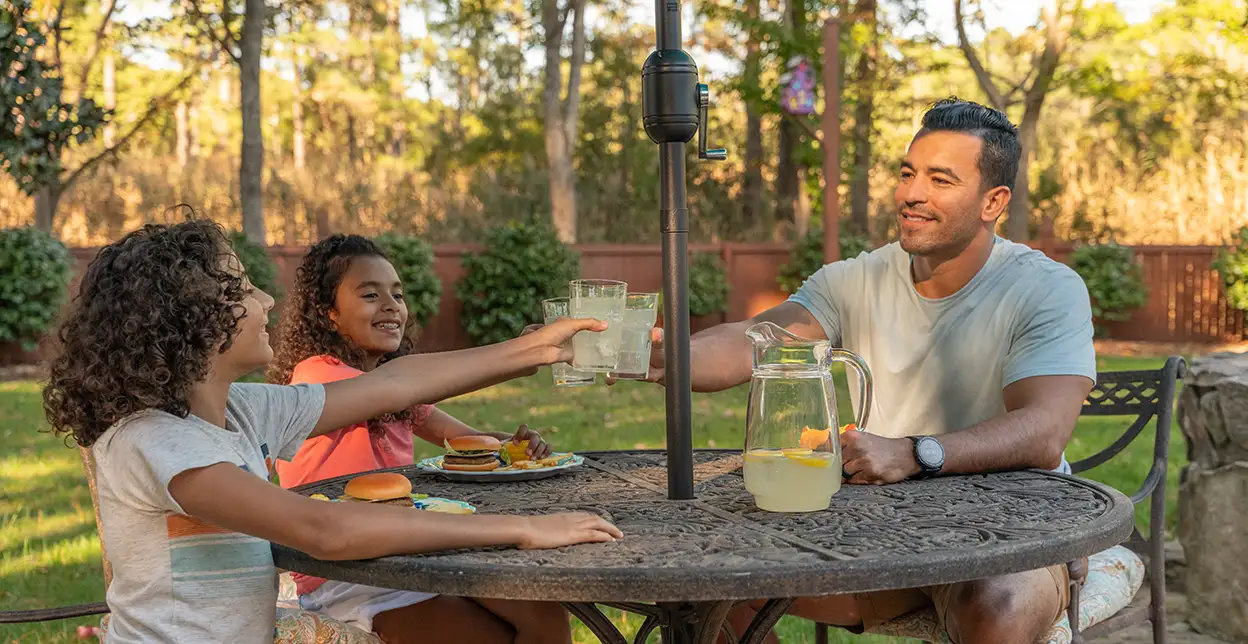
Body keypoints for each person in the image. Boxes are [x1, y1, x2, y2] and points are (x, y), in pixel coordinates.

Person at [42, 219, 622, 644]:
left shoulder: (240, 412)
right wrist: (521, 529)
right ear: (192, 318)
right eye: (244, 288)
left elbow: (395, 385)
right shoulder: (155, 440)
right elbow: (323, 529)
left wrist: (537, 348)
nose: (267, 299)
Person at [646, 98, 1096, 644]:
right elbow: (755, 339)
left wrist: (913, 452)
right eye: (908, 174)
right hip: (883, 534)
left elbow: (1046, 430)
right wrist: (663, 353)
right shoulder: (853, 281)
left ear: (992, 201)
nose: (912, 194)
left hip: (1014, 533)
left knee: (997, 605)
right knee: (714, 580)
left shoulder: (1046, 288)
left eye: (941, 179)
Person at [267, 234, 571, 644]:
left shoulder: (396, 392)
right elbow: (399, 387)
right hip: (348, 575)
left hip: (415, 555)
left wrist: (515, 445)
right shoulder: (318, 376)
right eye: (370, 294)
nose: (391, 305)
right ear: (328, 314)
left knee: (543, 611)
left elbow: (467, 440)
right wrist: (519, 352)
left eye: (397, 294)